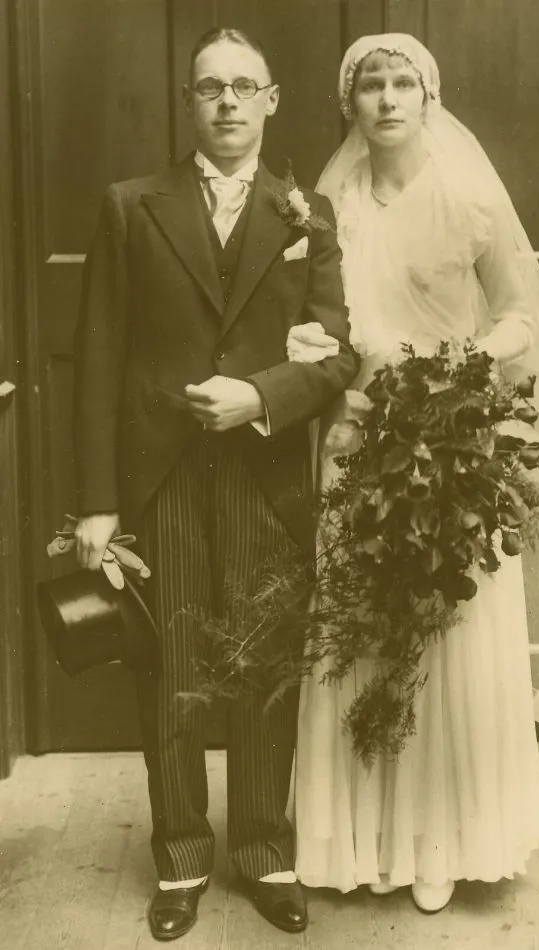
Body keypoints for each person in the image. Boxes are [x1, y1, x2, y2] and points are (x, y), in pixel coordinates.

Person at [295, 33, 539, 913]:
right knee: (361, 632)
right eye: (371, 85)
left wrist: (463, 364)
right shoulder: (328, 207)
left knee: (445, 634)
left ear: (429, 98)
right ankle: (365, 842)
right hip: (360, 434)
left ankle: (442, 842)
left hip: (450, 439)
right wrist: (315, 348)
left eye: (404, 84)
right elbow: (314, 317)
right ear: (349, 103)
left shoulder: (467, 195)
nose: (388, 99)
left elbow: (520, 317)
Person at [73, 26, 358, 940]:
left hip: (265, 475)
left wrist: (261, 396)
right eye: (210, 87)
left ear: (271, 102)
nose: (227, 102)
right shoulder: (131, 206)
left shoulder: (307, 213)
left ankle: (266, 851)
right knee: (171, 669)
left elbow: (337, 353)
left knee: (267, 666)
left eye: (244, 87)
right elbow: (98, 356)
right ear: (189, 102)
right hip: (159, 479)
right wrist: (99, 502)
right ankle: (181, 859)